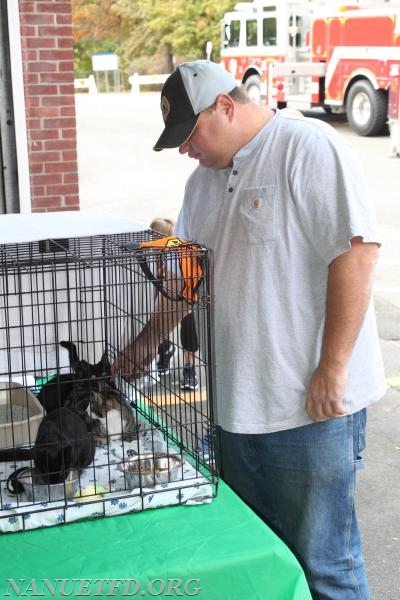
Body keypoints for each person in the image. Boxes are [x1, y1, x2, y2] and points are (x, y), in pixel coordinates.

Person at [113, 60, 386, 599]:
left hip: (310, 411)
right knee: (259, 558)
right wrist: (145, 344)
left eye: (190, 135)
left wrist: (332, 370)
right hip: (236, 411)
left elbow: (356, 255)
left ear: (226, 105)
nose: (184, 149)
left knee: (324, 564)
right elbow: (186, 282)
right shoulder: (201, 185)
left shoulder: (307, 149)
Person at [149, 217, 199, 391]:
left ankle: (189, 365)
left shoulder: (179, 253)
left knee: (188, 316)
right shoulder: (150, 254)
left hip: (182, 292)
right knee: (154, 313)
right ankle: (165, 350)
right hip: (162, 292)